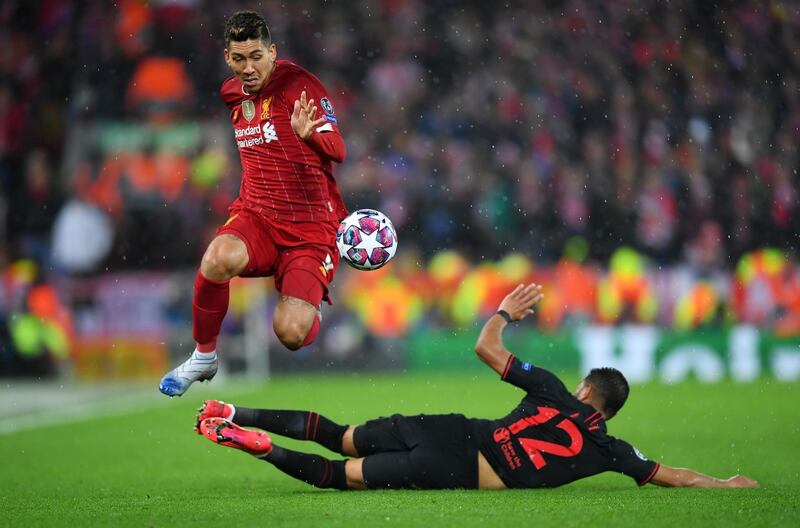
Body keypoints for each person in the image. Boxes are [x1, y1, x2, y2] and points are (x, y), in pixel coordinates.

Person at [194, 284, 758, 491]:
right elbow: (672, 476)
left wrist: (504, 312)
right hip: (463, 473)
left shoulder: (557, 392)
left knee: (341, 437)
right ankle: (262, 448)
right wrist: (726, 483)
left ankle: (236, 409)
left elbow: (485, 349)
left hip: (457, 430)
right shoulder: (610, 450)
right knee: (339, 479)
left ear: (587, 389)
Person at [160, 11, 348, 397]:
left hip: (310, 231)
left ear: (272, 52)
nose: (249, 67)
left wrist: (310, 136)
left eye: (257, 56)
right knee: (216, 259)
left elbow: (339, 150)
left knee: (291, 333)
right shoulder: (231, 93)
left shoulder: (299, 85)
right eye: (239, 58)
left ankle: (309, 302)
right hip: (258, 215)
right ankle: (204, 356)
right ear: (228, 57)